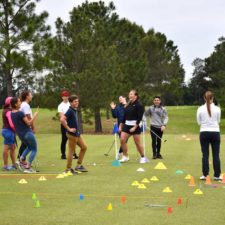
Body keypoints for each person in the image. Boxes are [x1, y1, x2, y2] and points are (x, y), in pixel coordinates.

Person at [197, 91, 221, 181]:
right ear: (213, 98)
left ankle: (205, 175)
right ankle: (217, 175)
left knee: (205, 155)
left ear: (204, 98)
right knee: (216, 155)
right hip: (215, 132)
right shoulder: (218, 109)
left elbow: (199, 122)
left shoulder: (200, 109)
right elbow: (218, 121)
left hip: (204, 132)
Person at [119, 90, 149, 163]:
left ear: (135, 96)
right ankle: (125, 156)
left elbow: (139, 118)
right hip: (127, 125)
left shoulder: (139, 105)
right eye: (129, 94)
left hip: (135, 126)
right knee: (122, 140)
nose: (130, 95)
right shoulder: (128, 105)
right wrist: (121, 125)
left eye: (131, 94)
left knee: (137, 143)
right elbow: (124, 116)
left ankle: (143, 157)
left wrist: (135, 127)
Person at [60, 95, 88, 173]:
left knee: (84, 147)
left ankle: (78, 165)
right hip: (72, 135)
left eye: (77, 101)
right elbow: (62, 119)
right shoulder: (70, 110)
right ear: (71, 102)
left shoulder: (74, 110)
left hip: (77, 134)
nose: (77, 103)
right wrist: (69, 129)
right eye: (75, 101)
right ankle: (68, 168)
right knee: (71, 152)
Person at [10, 97, 38, 173]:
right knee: (34, 149)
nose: (20, 103)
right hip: (27, 133)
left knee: (29, 147)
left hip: (21, 135)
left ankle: (21, 159)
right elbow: (28, 123)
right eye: (19, 102)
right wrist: (34, 116)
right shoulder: (20, 113)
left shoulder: (12, 113)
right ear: (15, 104)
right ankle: (28, 167)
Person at [58, 90, 78, 160]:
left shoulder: (70, 104)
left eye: (66, 96)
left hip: (71, 124)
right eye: (64, 96)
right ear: (62, 97)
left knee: (73, 139)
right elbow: (61, 115)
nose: (65, 97)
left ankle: (74, 154)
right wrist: (66, 124)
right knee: (64, 140)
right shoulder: (60, 105)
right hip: (64, 125)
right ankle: (63, 154)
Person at [1, 97, 17, 171]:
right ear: (11, 103)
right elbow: (11, 123)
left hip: (6, 131)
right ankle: (5, 166)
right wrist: (15, 129)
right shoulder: (8, 111)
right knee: (7, 148)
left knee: (12, 148)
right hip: (8, 131)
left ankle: (14, 165)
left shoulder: (7, 110)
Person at [17, 90, 34, 159]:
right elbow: (28, 117)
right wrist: (32, 127)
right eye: (30, 95)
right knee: (27, 144)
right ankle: (21, 160)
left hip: (23, 127)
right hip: (25, 127)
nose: (31, 96)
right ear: (27, 96)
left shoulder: (23, 104)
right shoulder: (25, 105)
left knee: (24, 144)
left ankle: (20, 159)